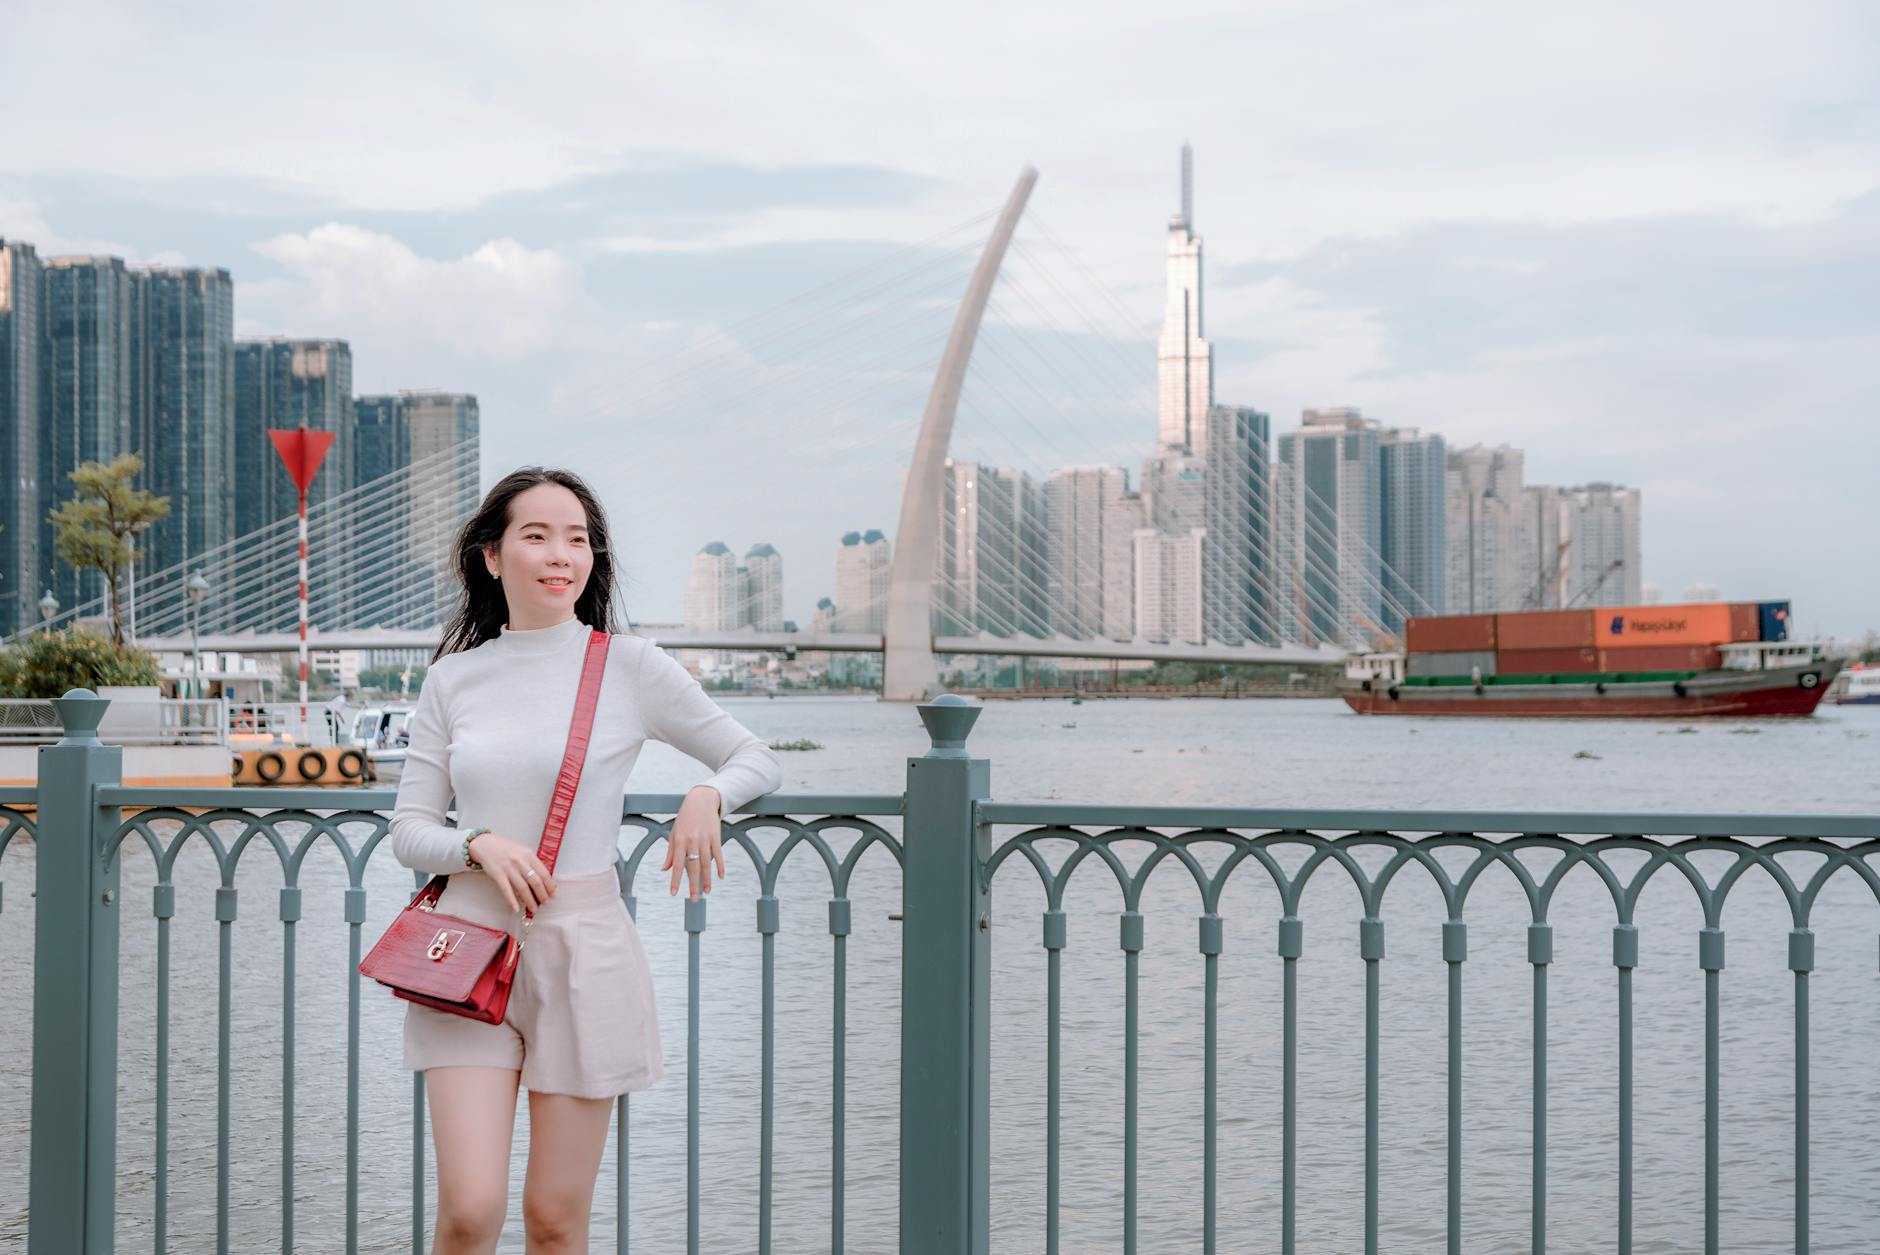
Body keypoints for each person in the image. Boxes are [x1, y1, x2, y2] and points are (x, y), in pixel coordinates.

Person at [390, 467, 782, 1254]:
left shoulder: (629, 666)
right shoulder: (452, 678)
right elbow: (408, 829)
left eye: (578, 538)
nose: (560, 554)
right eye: (536, 535)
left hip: (584, 949)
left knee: (556, 1221)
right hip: (467, 950)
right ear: (493, 558)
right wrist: (477, 844)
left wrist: (707, 795)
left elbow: (753, 755)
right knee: (469, 1212)